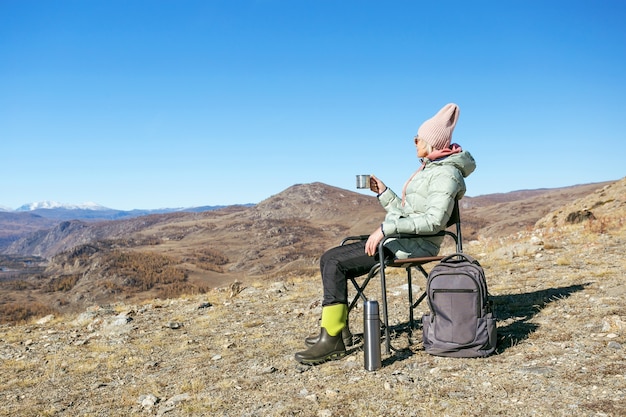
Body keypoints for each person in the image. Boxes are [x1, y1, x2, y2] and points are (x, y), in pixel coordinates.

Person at [294, 103, 476, 365]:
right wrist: (384, 192)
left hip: (414, 246)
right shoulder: (431, 170)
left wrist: (385, 229)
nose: (414, 142)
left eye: (418, 138)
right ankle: (338, 331)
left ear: (432, 142)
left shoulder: (445, 174)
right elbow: (407, 214)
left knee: (335, 263)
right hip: (402, 240)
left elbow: (433, 222)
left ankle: (332, 339)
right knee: (328, 257)